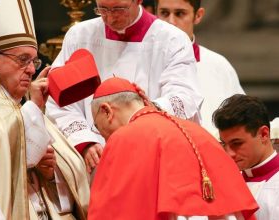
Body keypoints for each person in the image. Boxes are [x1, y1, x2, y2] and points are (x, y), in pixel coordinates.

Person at [0, 0, 89, 219]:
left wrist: (50, 175)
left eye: (34, 60)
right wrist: (35, 109)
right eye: (22, 60)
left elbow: (62, 175)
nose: (31, 69)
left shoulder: (23, 100)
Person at [46, 0, 203, 174]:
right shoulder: (79, 36)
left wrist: (151, 108)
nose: (110, 18)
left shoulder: (172, 39)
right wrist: (85, 141)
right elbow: (59, 100)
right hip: (94, 161)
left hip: (150, 157)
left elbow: (184, 95)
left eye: (118, 9)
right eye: (102, 9)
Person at [88, 77, 258, 219]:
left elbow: (109, 209)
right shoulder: (198, 131)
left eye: (97, 126)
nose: (103, 135)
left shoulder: (123, 138)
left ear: (106, 111)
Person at [155, 0, 245, 137]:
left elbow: (242, 121)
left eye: (180, 14)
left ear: (198, 15)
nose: (171, 22)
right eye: (164, 13)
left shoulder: (219, 65)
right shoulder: (144, 61)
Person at [213, 94, 279, 219]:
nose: (229, 153)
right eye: (224, 144)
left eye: (237, 143)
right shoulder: (226, 184)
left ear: (264, 134)